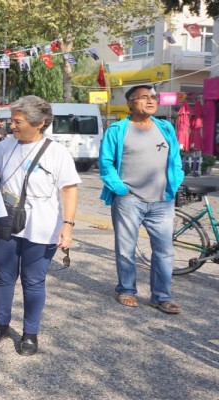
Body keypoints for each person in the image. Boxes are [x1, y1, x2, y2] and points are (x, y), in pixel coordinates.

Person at [0, 95, 80, 356]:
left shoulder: (57, 152)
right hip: (6, 221)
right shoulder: (6, 146)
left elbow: (69, 190)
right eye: (12, 121)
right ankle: (1, 326)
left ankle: (30, 333)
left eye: (17, 121)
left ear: (40, 123)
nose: (11, 126)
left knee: (33, 282)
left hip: (43, 225)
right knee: (3, 277)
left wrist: (67, 226)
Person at [99, 85, 184, 314]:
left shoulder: (165, 127)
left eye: (153, 97)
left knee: (165, 250)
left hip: (162, 201)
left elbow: (175, 158)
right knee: (126, 248)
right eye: (144, 97)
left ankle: (161, 297)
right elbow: (106, 164)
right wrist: (121, 190)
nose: (150, 101)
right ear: (130, 103)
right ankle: (126, 289)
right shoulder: (117, 130)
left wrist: (173, 186)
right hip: (129, 200)